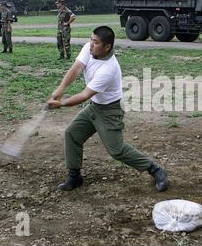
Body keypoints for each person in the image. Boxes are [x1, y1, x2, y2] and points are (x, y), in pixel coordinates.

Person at [46, 26, 168, 192]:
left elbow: (84, 94)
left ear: (107, 47)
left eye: (95, 42)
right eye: (91, 39)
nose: (91, 44)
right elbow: (76, 68)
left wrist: (61, 104)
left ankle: (155, 169)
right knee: (72, 133)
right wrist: (61, 89)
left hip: (110, 111)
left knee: (116, 150)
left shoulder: (109, 69)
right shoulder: (88, 49)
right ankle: (74, 177)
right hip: (94, 107)